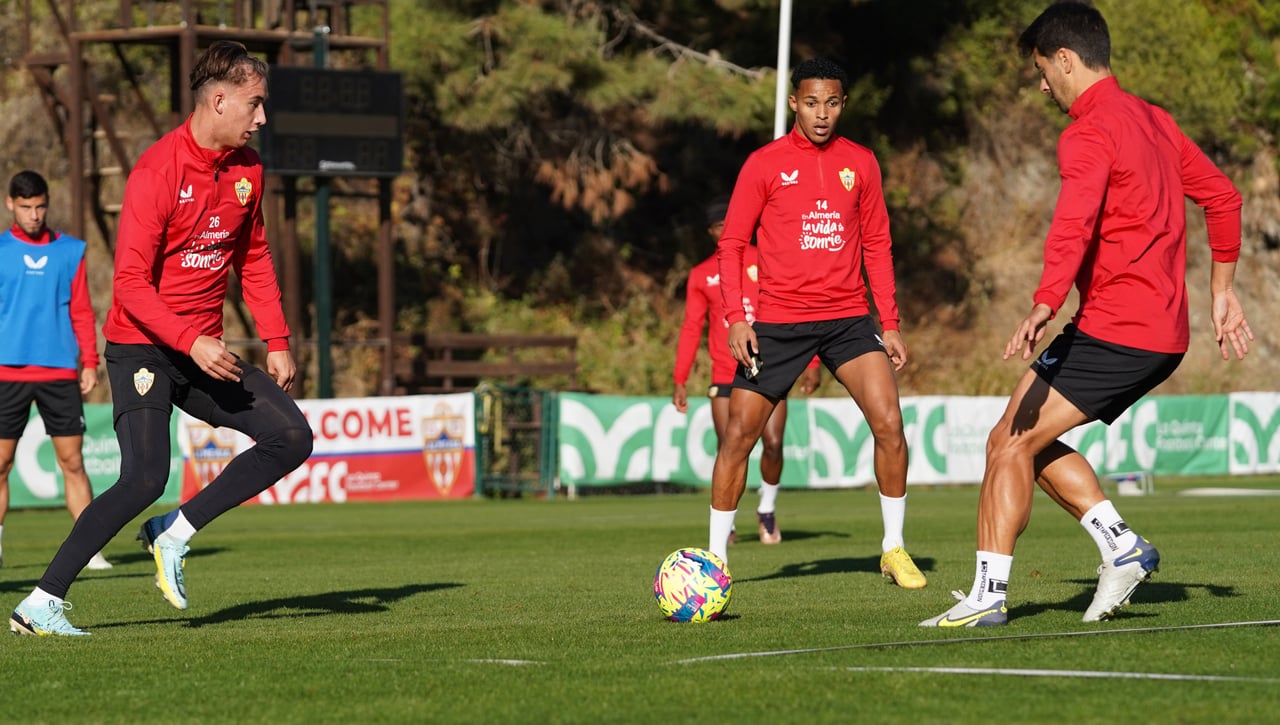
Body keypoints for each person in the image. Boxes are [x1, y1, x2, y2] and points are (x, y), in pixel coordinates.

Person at [921, 2, 1252, 628]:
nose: (1041, 85)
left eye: (1043, 70)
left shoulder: (1088, 131)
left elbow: (1072, 222)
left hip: (1118, 328)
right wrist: (1221, 290)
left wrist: (1044, 301)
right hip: (1158, 330)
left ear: (1066, 60)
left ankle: (988, 597)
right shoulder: (1155, 121)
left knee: (1013, 441)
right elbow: (1223, 197)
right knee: (1015, 439)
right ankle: (1120, 545)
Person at [10, 40, 314, 637]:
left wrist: (276, 337)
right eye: (255, 104)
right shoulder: (156, 170)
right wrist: (190, 339)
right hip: (143, 346)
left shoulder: (249, 170)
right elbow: (127, 284)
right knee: (145, 476)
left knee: (292, 436)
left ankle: (174, 531)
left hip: (202, 349)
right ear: (219, 100)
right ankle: (41, 602)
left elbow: (253, 257)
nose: (262, 117)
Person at [710, 57, 926, 590]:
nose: (822, 113)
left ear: (843, 104)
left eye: (831, 103)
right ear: (793, 103)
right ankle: (715, 560)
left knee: (891, 425)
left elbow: (877, 244)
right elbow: (732, 245)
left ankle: (893, 548)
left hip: (849, 320)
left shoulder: (863, 163)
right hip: (779, 325)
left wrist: (890, 321)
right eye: (811, 103)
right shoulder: (764, 163)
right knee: (739, 437)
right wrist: (737, 317)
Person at [673, 199, 819, 545]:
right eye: (719, 225)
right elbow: (692, 327)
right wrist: (680, 378)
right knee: (731, 448)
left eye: (731, 223)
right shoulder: (701, 274)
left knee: (773, 442)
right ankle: (729, 519)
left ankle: (766, 508)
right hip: (724, 373)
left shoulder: (767, 259)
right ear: (710, 232)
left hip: (769, 369)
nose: (726, 230)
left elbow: (800, 307)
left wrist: (812, 362)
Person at [0, 171, 112, 572]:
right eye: (26, 207)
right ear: (11, 203)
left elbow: (82, 310)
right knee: (0, 463)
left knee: (73, 462)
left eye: (40, 206)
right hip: (6, 373)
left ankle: (90, 550)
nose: (34, 214)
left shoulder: (70, 251)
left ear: (47, 204)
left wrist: (89, 362)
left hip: (59, 372)